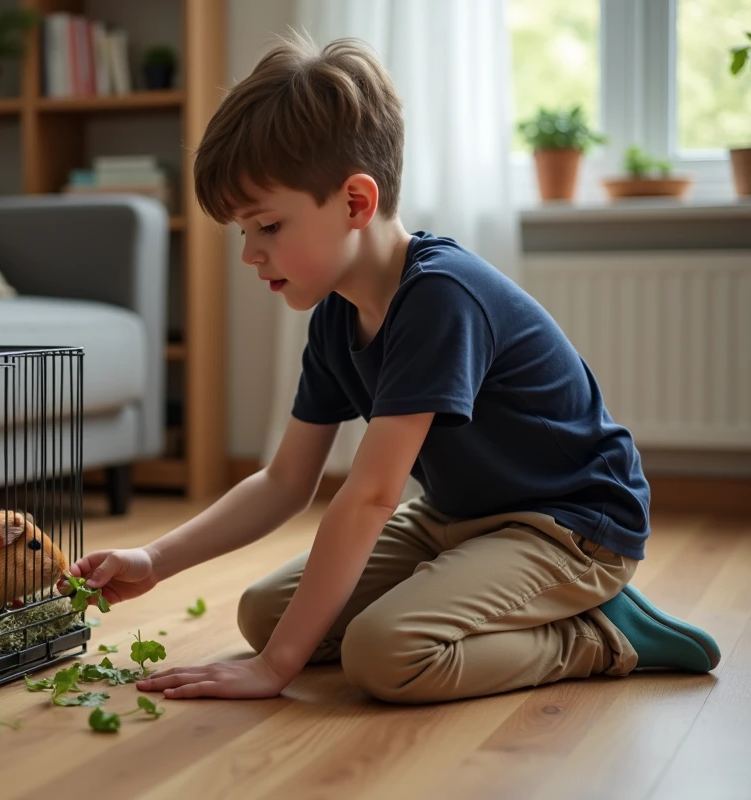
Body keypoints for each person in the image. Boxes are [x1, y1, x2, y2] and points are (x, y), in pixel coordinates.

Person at [61, 33, 721, 704]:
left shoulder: (440, 297)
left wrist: (275, 670)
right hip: (457, 517)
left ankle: (603, 637)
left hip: (571, 526)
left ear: (355, 202)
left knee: (385, 655)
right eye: (242, 232)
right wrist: (154, 560)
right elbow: (287, 481)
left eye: (267, 226)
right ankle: (477, 590)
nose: (250, 254)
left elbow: (373, 495)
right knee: (265, 617)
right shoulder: (335, 317)